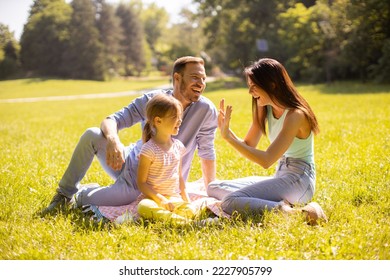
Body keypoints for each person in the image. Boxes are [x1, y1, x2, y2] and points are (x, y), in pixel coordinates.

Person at [41, 56, 217, 215]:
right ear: (177, 78)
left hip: (160, 180)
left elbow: (207, 151)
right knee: (92, 134)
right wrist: (113, 139)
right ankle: (64, 194)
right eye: (195, 77)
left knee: (124, 196)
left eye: (203, 78)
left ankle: (92, 191)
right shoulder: (154, 100)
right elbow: (112, 120)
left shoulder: (206, 110)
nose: (201, 83)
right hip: (130, 165)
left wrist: (211, 191)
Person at [208, 58, 327, 225]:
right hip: (281, 175)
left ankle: (297, 213)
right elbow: (249, 144)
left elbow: (266, 160)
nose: (250, 92)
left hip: (299, 181)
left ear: (272, 85)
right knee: (213, 187)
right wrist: (227, 133)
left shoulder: (296, 115)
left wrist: (228, 138)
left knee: (230, 201)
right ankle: (273, 204)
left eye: (254, 86)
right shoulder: (264, 107)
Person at [136, 94, 197, 223]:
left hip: (173, 199)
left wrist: (186, 200)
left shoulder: (178, 146)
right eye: (175, 117)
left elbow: (180, 177)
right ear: (158, 121)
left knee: (191, 210)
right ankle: (184, 223)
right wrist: (161, 200)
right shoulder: (148, 149)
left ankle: (172, 219)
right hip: (154, 200)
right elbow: (141, 183)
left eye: (180, 116)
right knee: (143, 207)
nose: (180, 120)